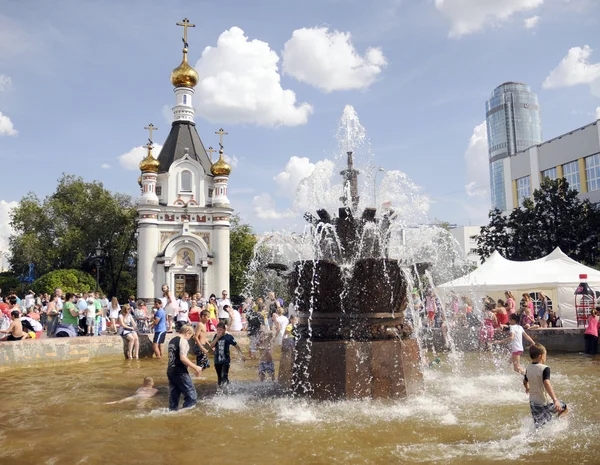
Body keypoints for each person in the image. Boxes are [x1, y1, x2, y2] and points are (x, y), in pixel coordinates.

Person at [523, 343, 568, 428]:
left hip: (533, 402)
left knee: (539, 426)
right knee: (564, 408)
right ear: (541, 356)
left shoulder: (528, 368)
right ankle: (559, 426)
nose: (545, 357)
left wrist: (527, 388)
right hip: (545, 402)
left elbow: (525, 381)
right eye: (545, 355)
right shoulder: (545, 368)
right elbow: (546, 383)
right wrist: (555, 400)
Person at [167, 325, 202, 411]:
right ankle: (186, 414)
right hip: (179, 372)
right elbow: (182, 358)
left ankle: (172, 413)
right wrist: (196, 367)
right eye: (190, 335)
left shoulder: (172, 340)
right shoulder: (183, 341)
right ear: (187, 332)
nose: (189, 338)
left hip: (170, 370)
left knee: (174, 396)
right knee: (192, 396)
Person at [210, 322, 245, 388]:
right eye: (218, 330)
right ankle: (220, 390)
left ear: (224, 330)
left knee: (224, 375)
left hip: (225, 360)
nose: (219, 331)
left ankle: (227, 389)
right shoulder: (216, 336)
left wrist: (241, 355)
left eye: (220, 330)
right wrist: (217, 338)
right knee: (219, 377)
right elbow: (211, 346)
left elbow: (236, 346)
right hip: (217, 361)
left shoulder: (228, 337)